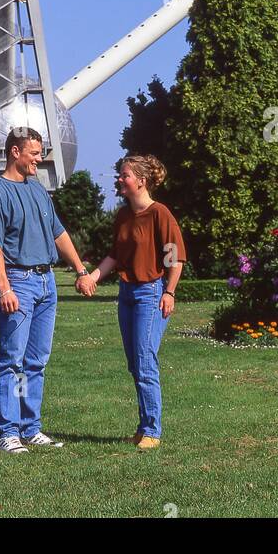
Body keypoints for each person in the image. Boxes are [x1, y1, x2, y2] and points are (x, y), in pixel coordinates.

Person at [0, 125, 91, 454]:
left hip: (46, 282)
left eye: (40, 154)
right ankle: (9, 433)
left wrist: (81, 269)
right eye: (34, 154)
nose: (39, 160)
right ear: (15, 152)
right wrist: (4, 289)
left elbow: (59, 233)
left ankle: (31, 428)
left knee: (37, 361)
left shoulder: (38, 190)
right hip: (18, 282)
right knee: (12, 361)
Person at [78, 154, 185, 450]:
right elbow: (115, 255)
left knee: (145, 361)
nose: (119, 179)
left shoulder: (160, 214)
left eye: (124, 175)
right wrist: (93, 277)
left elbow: (174, 259)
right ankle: (142, 428)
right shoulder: (124, 215)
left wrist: (169, 292)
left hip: (151, 294)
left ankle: (152, 430)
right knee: (135, 365)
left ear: (141, 180)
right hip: (126, 294)